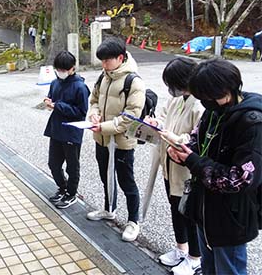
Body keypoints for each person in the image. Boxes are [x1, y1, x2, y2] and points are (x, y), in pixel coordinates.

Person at [167, 58, 262, 275]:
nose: (203, 102)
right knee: (209, 268)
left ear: (226, 90)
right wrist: (180, 152)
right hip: (204, 208)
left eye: (206, 97)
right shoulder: (213, 111)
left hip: (231, 217)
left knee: (229, 269)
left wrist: (192, 160)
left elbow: (239, 179)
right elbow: (195, 141)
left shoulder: (252, 122)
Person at [145, 58, 204, 275]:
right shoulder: (177, 100)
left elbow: (197, 138)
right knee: (175, 209)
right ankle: (181, 249)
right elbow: (163, 117)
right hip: (169, 165)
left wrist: (176, 138)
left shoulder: (199, 104)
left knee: (189, 213)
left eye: (173, 84)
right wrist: (156, 124)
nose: (171, 89)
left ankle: (195, 258)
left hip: (185, 170)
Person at [86, 37, 146, 242]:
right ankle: (109, 209)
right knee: (106, 176)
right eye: (101, 61)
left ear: (120, 58)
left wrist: (103, 126)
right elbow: (93, 100)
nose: (103, 65)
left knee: (126, 181)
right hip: (101, 138)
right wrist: (94, 114)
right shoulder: (103, 77)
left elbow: (130, 117)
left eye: (107, 60)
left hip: (122, 142)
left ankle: (133, 222)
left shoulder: (133, 82)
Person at [43, 51, 90, 209]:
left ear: (72, 69)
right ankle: (62, 188)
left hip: (72, 131)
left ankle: (71, 193)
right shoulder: (55, 83)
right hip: (56, 129)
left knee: (72, 166)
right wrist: (49, 101)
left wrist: (58, 106)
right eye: (58, 69)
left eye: (63, 70)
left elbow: (81, 112)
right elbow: (52, 97)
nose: (60, 73)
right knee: (53, 164)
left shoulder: (80, 87)